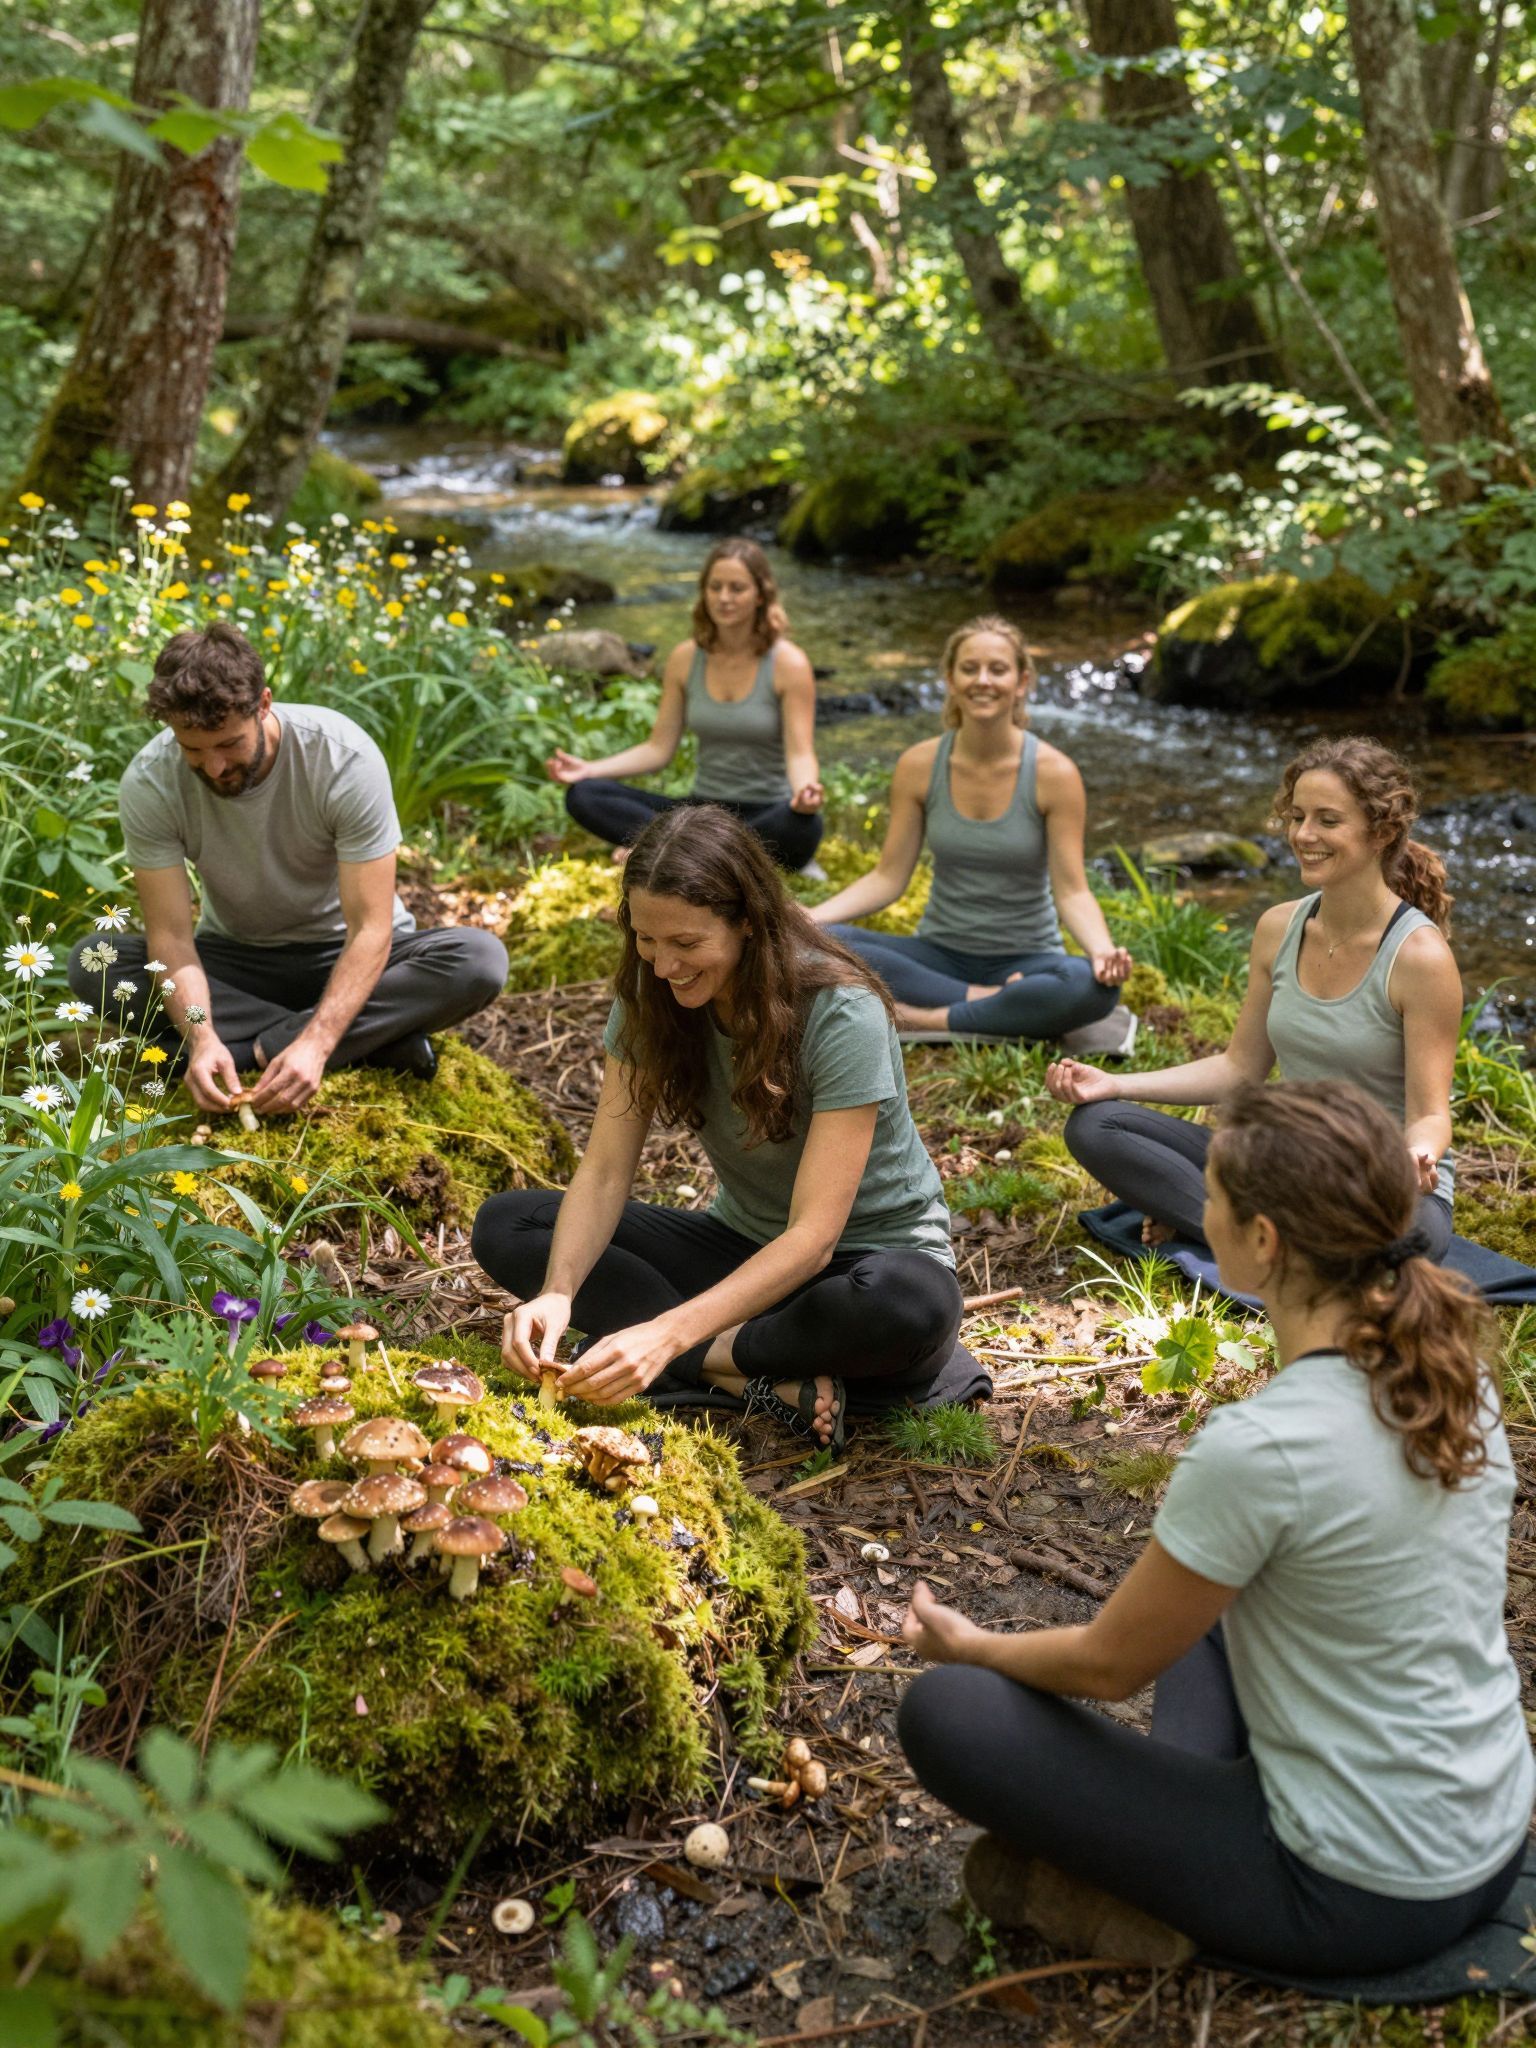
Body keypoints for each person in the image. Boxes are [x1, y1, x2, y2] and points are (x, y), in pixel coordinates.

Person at [898, 1079, 1532, 1974]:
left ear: (1262, 1242)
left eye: (1213, 1199)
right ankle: (1174, 1850)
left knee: (949, 1712)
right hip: (1490, 1835)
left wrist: (970, 1646)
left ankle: (1155, 1890)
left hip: (1358, 1894)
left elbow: (1110, 1668)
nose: (1199, 1209)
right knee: (1204, 1598)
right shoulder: (1457, 1377)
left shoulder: (1266, 1445)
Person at [472, 804, 963, 1447]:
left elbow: (815, 1238)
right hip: (743, 1255)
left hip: (861, 1267)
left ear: (749, 925)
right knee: (510, 1224)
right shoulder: (650, 996)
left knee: (908, 1306)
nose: (663, 966)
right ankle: (747, 1372)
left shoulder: (842, 1012)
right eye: (647, 939)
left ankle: (686, 1358)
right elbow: (606, 1170)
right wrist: (559, 1292)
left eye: (687, 943)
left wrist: (668, 1333)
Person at [1049, 735, 1461, 1260]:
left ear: (1380, 831)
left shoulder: (1419, 957)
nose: (1304, 835)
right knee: (1097, 1125)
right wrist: (1113, 1083)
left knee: (1408, 1244)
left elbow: (1430, 1114)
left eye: (1327, 821)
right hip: (1287, 1166)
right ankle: (1263, 1237)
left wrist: (1415, 1156)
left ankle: (1226, 1228)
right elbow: (1240, 1067)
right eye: (1296, 817)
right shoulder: (1278, 928)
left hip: (1379, 1183)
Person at [68, 624, 508, 1113]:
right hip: (237, 963)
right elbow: (171, 938)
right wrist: (201, 1037)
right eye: (193, 750)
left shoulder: (343, 758)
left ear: (263, 705)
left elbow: (370, 928)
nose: (213, 767)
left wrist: (315, 1044)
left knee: (479, 960)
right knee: (96, 960)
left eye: (229, 744)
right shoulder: (150, 781)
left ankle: (261, 1050)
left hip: (347, 956)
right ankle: (379, 1046)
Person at [806, 615, 1134, 1051]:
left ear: (1022, 682)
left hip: (1028, 959)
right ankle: (994, 1006)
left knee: (1092, 988)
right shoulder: (918, 766)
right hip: (937, 957)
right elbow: (888, 877)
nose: (983, 680)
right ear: (950, 679)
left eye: (998, 669)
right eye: (969, 668)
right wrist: (810, 920)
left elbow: (1072, 891)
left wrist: (1101, 951)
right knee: (814, 944)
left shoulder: (1055, 774)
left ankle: (921, 1019)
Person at [545, 538, 825, 871]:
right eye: (715, 587)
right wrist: (590, 769)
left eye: (737, 588)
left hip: (767, 812)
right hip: (702, 813)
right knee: (585, 795)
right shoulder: (685, 659)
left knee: (803, 826)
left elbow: (800, 752)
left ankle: (672, 852)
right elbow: (658, 749)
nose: (724, 598)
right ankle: (703, 854)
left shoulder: (788, 663)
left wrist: (806, 792)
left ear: (760, 595)